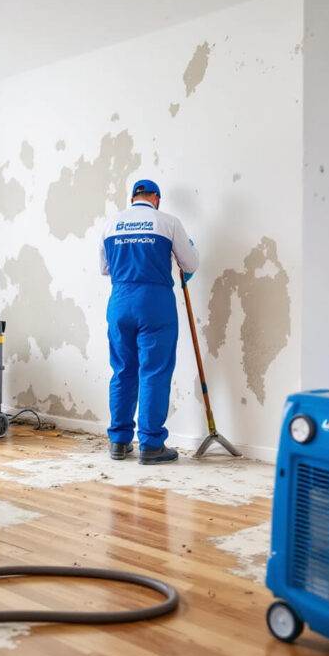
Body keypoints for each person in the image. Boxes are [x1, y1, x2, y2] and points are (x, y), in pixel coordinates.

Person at [99, 179, 199, 464]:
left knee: (122, 370)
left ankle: (118, 442)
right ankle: (151, 445)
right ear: (156, 198)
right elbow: (190, 264)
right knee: (154, 371)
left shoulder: (111, 224)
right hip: (155, 303)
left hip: (120, 300)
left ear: (133, 197)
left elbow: (104, 268)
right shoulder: (167, 222)